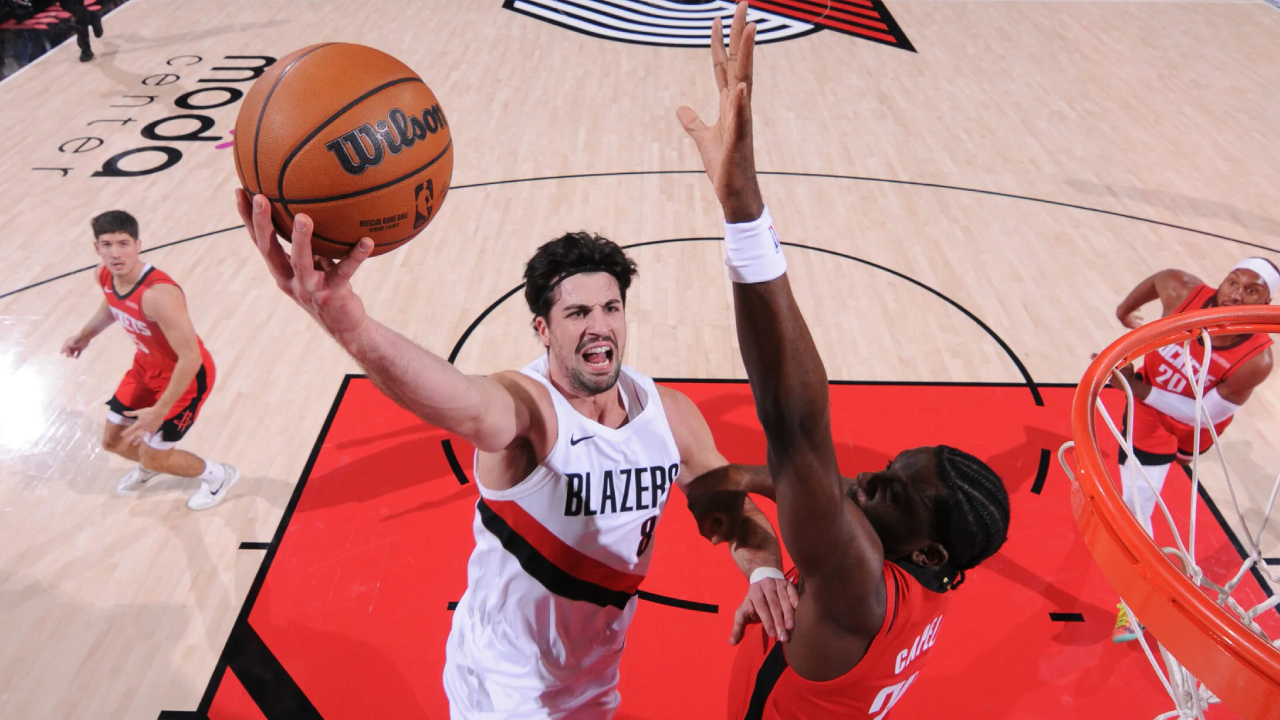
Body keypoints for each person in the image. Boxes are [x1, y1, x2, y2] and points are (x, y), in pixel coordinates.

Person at [236, 188, 794, 714]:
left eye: (611, 308)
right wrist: (352, 327)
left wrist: (764, 572)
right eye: (577, 313)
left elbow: (733, 510)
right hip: (502, 691)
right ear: (543, 329)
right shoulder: (530, 411)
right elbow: (460, 399)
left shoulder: (669, 415)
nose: (600, 327)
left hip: (593, 681)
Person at [675, 6, 1010, 717]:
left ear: (926, 553)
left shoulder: (858, 579)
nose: (872, 479)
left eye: (895, 489)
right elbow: (843, 489)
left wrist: (743, 211)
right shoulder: (922, 574)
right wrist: (740, 479)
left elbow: (798, 428)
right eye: (896, 463)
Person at [1108, 259, 1276, 641]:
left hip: (1197, 421)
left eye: (1252, 290)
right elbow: (1158, 278)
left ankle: (1180, 456)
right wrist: (1124, 313)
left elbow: (1201, 415)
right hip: (1148, 414)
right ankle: (1137, 602)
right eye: (1234, 281)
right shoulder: (1182, 291)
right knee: (1136, 508)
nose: (1237, 292)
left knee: (1185, 455)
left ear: (1266, 304)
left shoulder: (1258, 360)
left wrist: (1137, 389)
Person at [61, 211, 238, 510]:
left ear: (138, 244)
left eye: (123, 244)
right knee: (113, 442)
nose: (115, 253)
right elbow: (112, 305)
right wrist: (83, 336)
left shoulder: (158, 295)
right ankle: (152, 464)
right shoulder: (103, 275)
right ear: (97, 248)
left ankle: (219, 475)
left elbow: (191, 357)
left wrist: (160, 410)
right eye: (107, 245)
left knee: (154, 454)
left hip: (187, 377)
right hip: (145, 367)